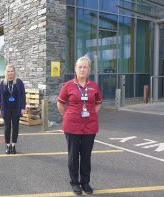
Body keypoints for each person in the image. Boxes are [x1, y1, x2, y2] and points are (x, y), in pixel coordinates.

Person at [57, 55, 102, 195]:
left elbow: (98, 102)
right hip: (72, 126)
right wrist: (68, 116)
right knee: (73, 155)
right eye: (80, 67)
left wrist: (91, 114)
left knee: (86, 155)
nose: (82, 69)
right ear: (76, 69)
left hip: (90, 126)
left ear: (89, 70)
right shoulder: (68, 85)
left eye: (85, 67)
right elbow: (60, 103)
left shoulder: (94, 86)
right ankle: (75, 183)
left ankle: (85, 182)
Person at [0, 64, 26, 154]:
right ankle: (7, 145)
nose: (10, 73)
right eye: (8, 71)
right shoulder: (2, 83)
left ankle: (13, 145)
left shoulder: (19, 82)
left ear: (14, 72)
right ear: (6, 72)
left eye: (12, 71)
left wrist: (23, 107)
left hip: (16, 108)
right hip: (6, 109)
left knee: (15, 127)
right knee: (7, 128)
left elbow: (23, 96)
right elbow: (0, 97)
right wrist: (0, 108)